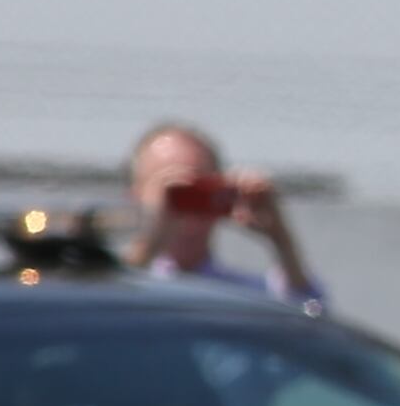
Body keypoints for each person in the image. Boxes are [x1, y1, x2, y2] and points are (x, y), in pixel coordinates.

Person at [125, 122, 319, 301]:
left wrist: (281, 239)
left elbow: (311, 312)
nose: (186, 202)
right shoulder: (117, 281)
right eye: (175, 192)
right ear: (136, 195)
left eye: (199, 188)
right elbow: (111, 299)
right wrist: (149, 246)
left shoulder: (249, 296)